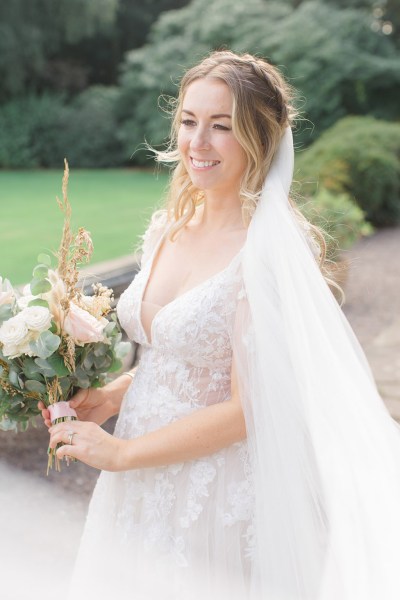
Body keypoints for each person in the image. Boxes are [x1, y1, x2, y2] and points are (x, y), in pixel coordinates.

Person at [40, 50, 400, 600]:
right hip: (137, 485)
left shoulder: (270, 251)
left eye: (221, 126)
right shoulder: (167, 227)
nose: (196, 143)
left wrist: (122, 454)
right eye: (188, 121)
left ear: (258, 137)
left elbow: (249, 406)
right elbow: (175, 360)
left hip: (214, 493)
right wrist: (110, 398)